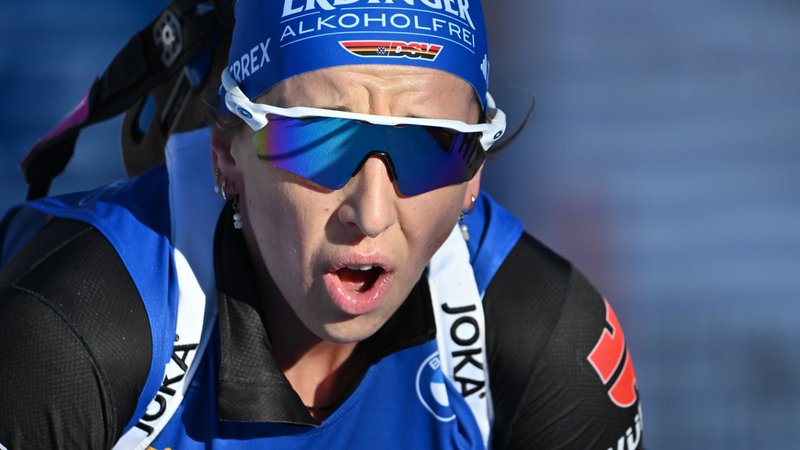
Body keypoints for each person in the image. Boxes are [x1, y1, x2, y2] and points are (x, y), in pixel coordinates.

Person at [0, 0, 644, 448]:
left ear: (475, 171)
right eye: (319, 141)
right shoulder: (73, 330)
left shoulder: (546, 338)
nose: (371, 211)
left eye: (430, 147)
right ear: (227, 155)